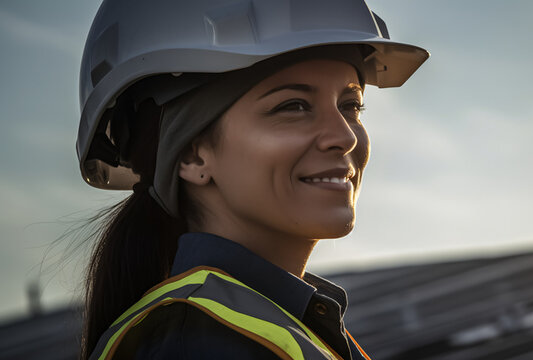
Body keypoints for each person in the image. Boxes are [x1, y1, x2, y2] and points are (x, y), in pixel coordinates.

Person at [75, 1, 428, 359]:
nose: (345, 136)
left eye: (350, 105)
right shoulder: (196, 342)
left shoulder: (270, 327)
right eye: (293, 106)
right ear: (192, 154)